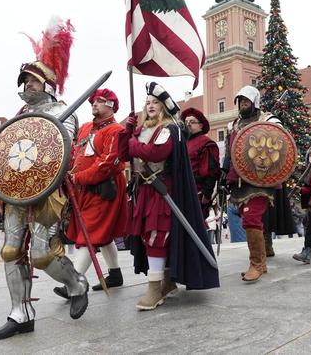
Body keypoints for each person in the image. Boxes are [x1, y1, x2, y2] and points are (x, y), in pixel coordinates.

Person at [0, 18, 89, 341]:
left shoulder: (64, 111)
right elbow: (7, 150)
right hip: (16, 193)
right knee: (10, 250)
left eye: (33, 80)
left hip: (48, 192)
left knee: (43, 254)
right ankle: (20, 313)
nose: (27, 84)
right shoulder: (18, 117)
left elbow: (64, 151)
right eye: (25, 80)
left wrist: (52, 128)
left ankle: (76, 283)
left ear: (47, 84)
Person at [118, 82, 219, 310]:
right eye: (148, 102)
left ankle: (155, 287)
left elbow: (155, 152)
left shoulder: (169, 129)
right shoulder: (141, 130)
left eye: (155, 102)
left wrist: (133, 143)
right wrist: (127, 132)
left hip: (161, 189)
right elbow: (123, 153)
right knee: (148, 236)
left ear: (163, 106)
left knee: (157, 235)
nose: (151, 105)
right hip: (144, 189)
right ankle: (167, 280)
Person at [53, 88, 129, 299]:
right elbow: (75, 153)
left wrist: (78, 178)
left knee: (90, 234)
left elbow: (108, 164)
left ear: (111, 106)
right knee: (102, 237)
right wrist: (67, 174)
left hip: (104, 189)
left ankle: (74, 284)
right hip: (82, 190)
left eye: (100, 101)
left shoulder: (116, 130)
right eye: (93, 101)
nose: (94, 104)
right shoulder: (86, 128)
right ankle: (115, 275)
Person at [223, 85, 287, 281]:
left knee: (251, 218)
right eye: (240, 101)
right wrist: (224, 174)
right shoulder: (234, 125)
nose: (243, 104)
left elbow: (282, 143)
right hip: (240, 181)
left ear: (255, 102)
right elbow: (229, 153)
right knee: (248, 218)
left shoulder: (267, 120)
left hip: (261, 180)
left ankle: (256, 264)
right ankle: (262, 261)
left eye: (246, 101)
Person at [180, 107, 220, 218]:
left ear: (201, 126)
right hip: (181, 192)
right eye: (186, 122)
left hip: (196, 192)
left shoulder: (206, 143)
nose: (188, 124)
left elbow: (212, 171)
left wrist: (206, 195)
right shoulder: (182, 143)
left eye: (192, 122)